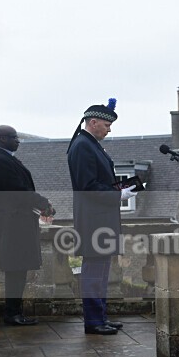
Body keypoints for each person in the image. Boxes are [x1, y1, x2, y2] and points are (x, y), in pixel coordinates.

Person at [67, 100, 136, 335]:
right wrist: (119, 194)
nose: (109, 129)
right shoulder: (82, 146)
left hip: (100, 219)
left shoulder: (91, 144)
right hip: (93, 221)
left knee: (101, 272)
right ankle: (94, 321)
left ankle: (101, 316)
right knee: (93, 273)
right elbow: (88, 186)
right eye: (106, 124)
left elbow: (99, 181)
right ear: (93, 122)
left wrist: (120, 187)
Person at [0, 125, 55, 326]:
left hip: (18, 222)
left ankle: (15, 312)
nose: (18, 140)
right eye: (13, 137)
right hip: (13, 224)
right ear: (2, 139)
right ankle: (12, 313)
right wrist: (43, 203)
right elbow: (19, 191)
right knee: (15, 270)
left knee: (18, 270)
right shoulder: (1, 161)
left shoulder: (6, 159)